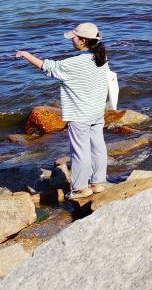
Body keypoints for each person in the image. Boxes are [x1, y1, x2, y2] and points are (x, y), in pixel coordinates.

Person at [13, 23, 114, 201]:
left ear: (82, 41)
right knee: (98, 147)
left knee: (79, 152)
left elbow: (47, 67)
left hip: (80, 114)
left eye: (74, 37)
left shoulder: (74, 63)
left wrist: (26, 55)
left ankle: (81, 188)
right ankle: (98, 182)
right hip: (97, 112)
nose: (72, 40)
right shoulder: (101, 58)